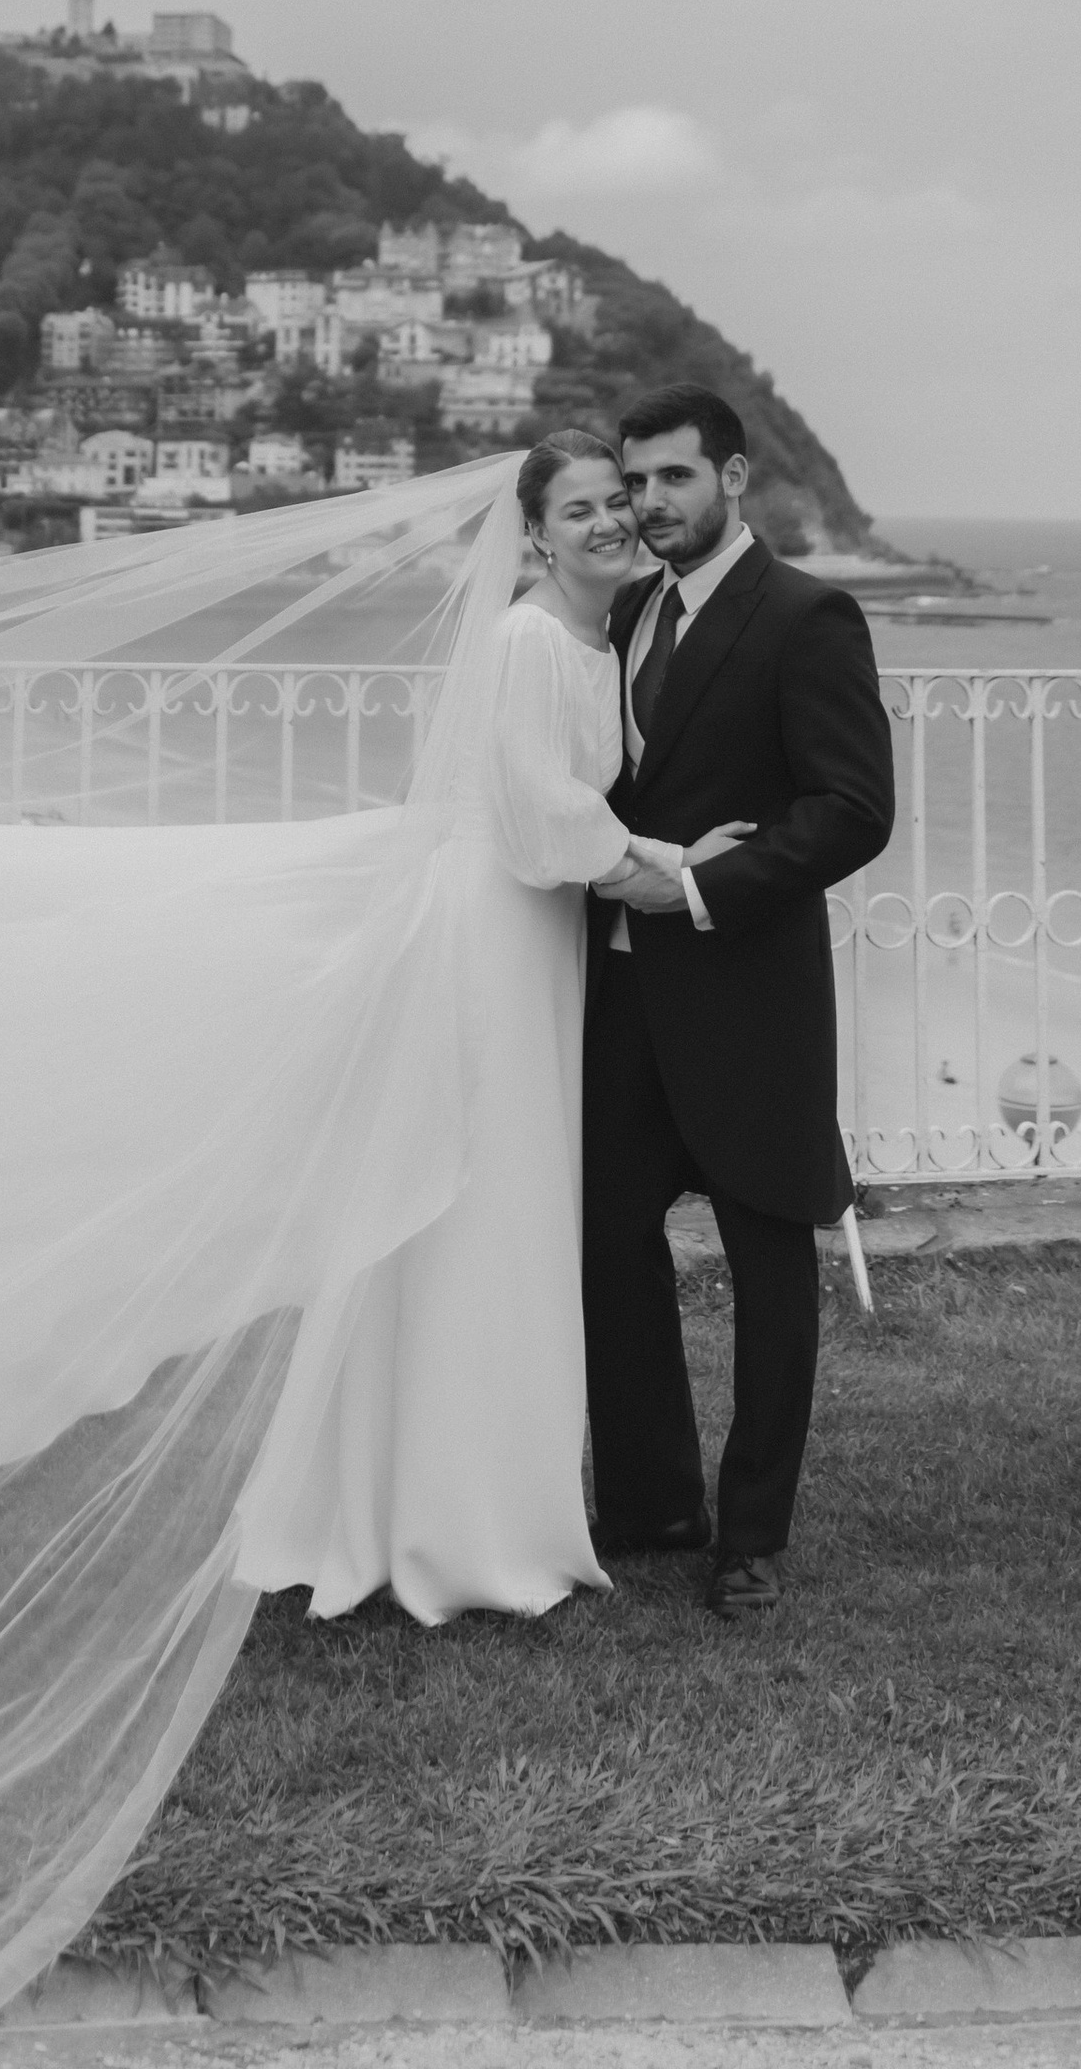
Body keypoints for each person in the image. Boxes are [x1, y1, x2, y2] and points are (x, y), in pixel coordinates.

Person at [237, 429, 686, 1615]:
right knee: (483, 1202)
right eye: (580, 508)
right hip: (494, 935)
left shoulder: (603, 639)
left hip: (537, 941)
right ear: (533, 534)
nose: (609, 523)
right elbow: (545, 823)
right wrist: (679, 868)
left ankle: (466, 1492)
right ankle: (456, 1517)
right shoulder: (532, 637)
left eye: (618, 503)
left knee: (510, 1206)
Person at [583, 382, 897, 1619]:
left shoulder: (807, 616)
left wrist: (702, 888)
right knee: (608, 1249)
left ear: (733, 479)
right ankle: (656, 1504)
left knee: (771, 1267)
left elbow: (852, 809)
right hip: (615, 995)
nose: (649, 503)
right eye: (633, 482)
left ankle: (751, 1534)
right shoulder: (615, 621)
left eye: (671, 478)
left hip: (750, 994)